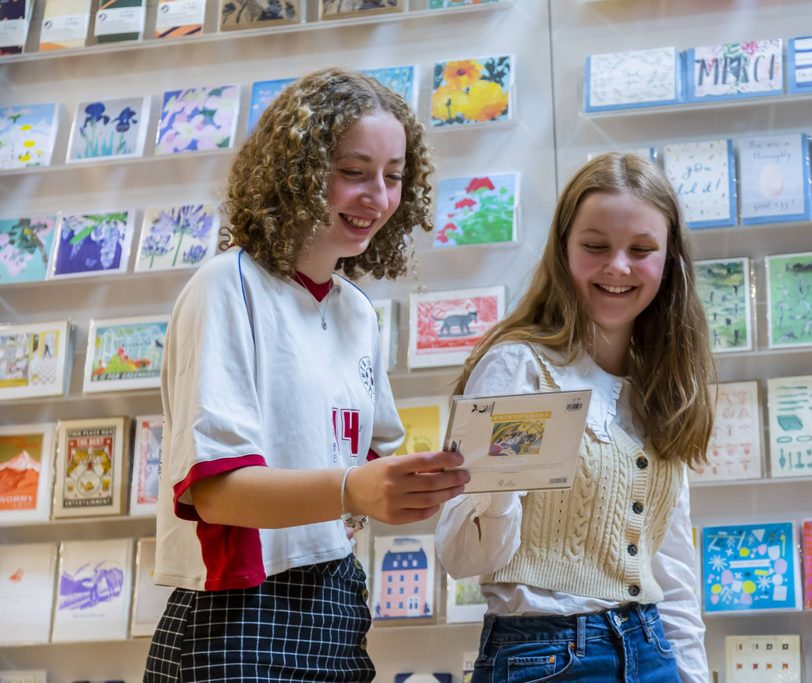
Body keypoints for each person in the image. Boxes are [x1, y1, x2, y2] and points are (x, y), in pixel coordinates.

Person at [145, 68, 470, 683]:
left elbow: (367, 466)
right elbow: (215, 492)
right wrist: (355, 489)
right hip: (237, 606)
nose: (377, 195)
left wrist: (429, 480)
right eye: (353, 172)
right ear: (294, 170)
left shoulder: (356, 309)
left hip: (336, 597)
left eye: (394, 176)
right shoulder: (226, 286)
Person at [436, 152, 714, 683]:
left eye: (641, 250)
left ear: (669, 259)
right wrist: (496, 489)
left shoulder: (663, 386)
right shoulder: (519, 367)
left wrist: (693, 675)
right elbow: (460, 556)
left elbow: (672, 567)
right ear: (563, 249)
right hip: (547, 656)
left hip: (653, 651)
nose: (617, 267)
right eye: (595, 246)